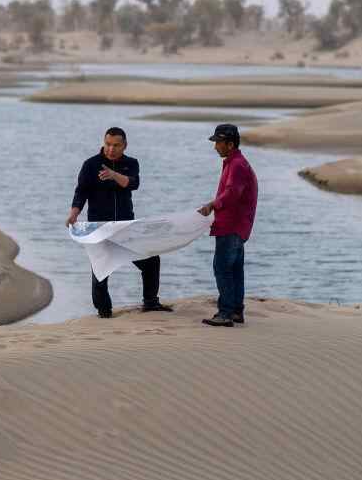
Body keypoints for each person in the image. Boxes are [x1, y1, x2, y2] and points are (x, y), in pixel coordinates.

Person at [66, 127, 173, 318]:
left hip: (125, 226)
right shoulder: (91, 164)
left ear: (124, 145)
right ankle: (104, 311)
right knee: (100, 269)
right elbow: (81, 191)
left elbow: (133, 183)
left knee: (151, 261)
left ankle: (150, 302)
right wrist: (74, 213)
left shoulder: (131, 163)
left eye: (116, 145)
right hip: (99, 227)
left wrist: (114, 175)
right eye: (108, 144)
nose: (111, 149)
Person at [197, 124, 258, 327]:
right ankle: (236, 311)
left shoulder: (237, 165)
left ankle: (225, 313)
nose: (215, 147)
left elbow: (232, 194)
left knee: (222, 268)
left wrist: (211, 205)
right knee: (235, 269)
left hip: (232, 226)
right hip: (237, 226)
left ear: (230, 144)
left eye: (218, 142)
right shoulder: (235, 162)